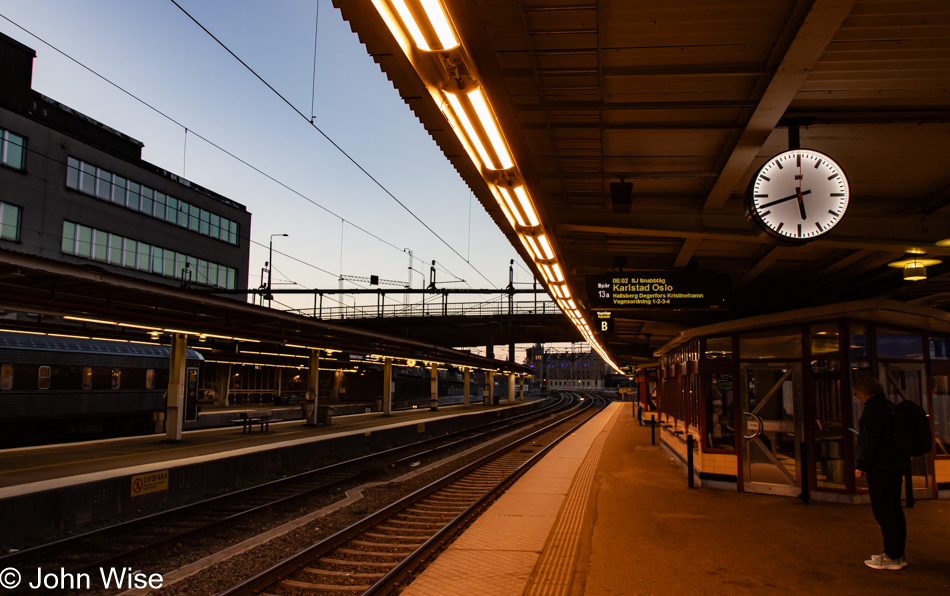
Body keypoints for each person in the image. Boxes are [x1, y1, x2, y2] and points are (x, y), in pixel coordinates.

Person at [853, 376, 907, 570]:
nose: (857, 397)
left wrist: (862, 464)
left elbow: (870, 440)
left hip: (880, 467)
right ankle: (897, 553)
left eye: (857, 393)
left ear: (864, 392)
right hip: (895, 465)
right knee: (894, 509)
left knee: (884, 511)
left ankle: (891, 556)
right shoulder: (889, 406)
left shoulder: (873, 411)